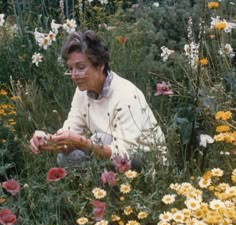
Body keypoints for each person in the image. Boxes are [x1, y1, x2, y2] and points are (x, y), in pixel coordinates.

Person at [30, 30, 165, 169]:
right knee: (66, 157)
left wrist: (83, 143)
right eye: (70, 69)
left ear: (100, 65)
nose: (74, 75)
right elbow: (70, 132)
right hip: (113, 154)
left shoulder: (126, 94)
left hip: (149, 162)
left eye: (80, 67)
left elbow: (125, 152)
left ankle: (117, 187)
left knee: (99, 139)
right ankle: (94, 188)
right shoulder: (82, 92)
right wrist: (47, 140)